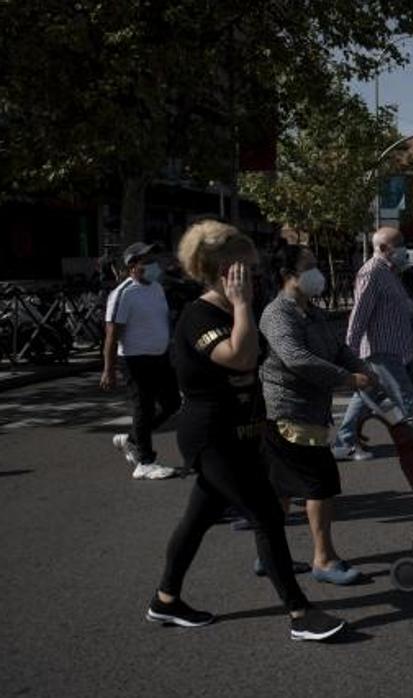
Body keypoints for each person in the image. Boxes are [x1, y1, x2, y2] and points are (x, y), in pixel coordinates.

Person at [147, 220, 346, 642]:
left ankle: (165, 600)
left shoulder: (234, 311)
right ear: (223, 270)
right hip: (211, 438)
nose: (253, 276)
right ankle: (299, 613)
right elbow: (239, 359)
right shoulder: (199, 315)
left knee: (197, 519)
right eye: (244, 268)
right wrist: (240, 305)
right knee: (268, 515)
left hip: (242, 432)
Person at [260, 245, 372, 585]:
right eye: (309, 266)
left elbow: (337, 348)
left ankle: (268, 555)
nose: (317, 272)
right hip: (289, 413)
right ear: (287, 276)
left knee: (281, 489)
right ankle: (323, 560)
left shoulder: (312, 310)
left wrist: (360, 367)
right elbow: (296, 358)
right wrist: (346, 379)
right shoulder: (278, 314)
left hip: (312, 411)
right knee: (319, 486)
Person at [332, 227, 413, 461]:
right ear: (382, 248)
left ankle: (344, 441)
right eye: (399, 243)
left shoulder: (390, 271)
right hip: (382, 350)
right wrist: (349, 354)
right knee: (406, 396)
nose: (404, 248)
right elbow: (359, 315)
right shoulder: (371, 273)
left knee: (366, 396)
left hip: (399, 348)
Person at [101, 242, 183, 480]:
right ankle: (145, 462)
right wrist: (109, 369)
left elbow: (161, 321)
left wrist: (171, 348)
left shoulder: (157, 288)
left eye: (152, 258)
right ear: (132, 265)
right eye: (146, 260)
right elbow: (112, 333)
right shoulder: (123, 293)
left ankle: (133, 439)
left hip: (160, 357)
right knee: (143, 408)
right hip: (135, 360)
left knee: (172, 404)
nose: (153, 264)